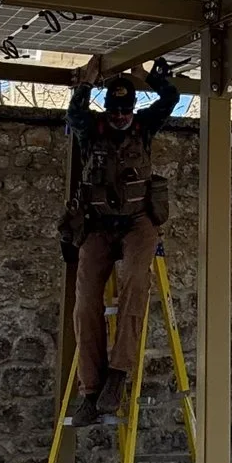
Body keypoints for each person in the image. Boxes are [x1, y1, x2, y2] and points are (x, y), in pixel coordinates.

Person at [62, 58, 180, 423]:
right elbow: (74, 111)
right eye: (114, 110)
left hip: (137, 221)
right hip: (97, 224)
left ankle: (118, 373)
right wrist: (86, 82)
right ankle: (90, 389)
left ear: (132, 109)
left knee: (134, 281)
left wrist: (149, 79)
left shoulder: (143, 127)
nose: (119, 117)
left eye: (125, 110)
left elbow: (170, 99)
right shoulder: (90, 129)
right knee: (84, 301)